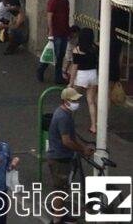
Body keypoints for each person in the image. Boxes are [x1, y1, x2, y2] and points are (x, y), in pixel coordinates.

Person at [46, 88, 94, 222]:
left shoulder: (63, 113)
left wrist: (80, 147)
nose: (76, 102)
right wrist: (82, 149)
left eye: (77, 100)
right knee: (60, 190)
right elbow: (67, 141)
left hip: (60, 156)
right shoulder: (63, 117)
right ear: (65, 101)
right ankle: (57, 219)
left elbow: (71, 138)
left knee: (62, 188)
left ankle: (60, 215)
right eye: (73, 100)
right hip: (60, 158)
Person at [37, 0, 72, 84]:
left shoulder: (66, 2)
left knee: (60, 56)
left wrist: (68, 31)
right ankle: (41, 70)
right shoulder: (53, 1)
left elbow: (66, 18)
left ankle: (58, 77)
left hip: (64, 32)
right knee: (52, 55)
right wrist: (51, 32)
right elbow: (49, 17)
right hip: (56, 33)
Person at [71, 28, 99, 134]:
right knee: (91, 101)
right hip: (93, 75)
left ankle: (71, 121)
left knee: (74, 99)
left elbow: (74, 68)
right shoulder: (95, 48)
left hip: (81, 76)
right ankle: (93, 125)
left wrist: (71, 82)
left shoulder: (77, 50)